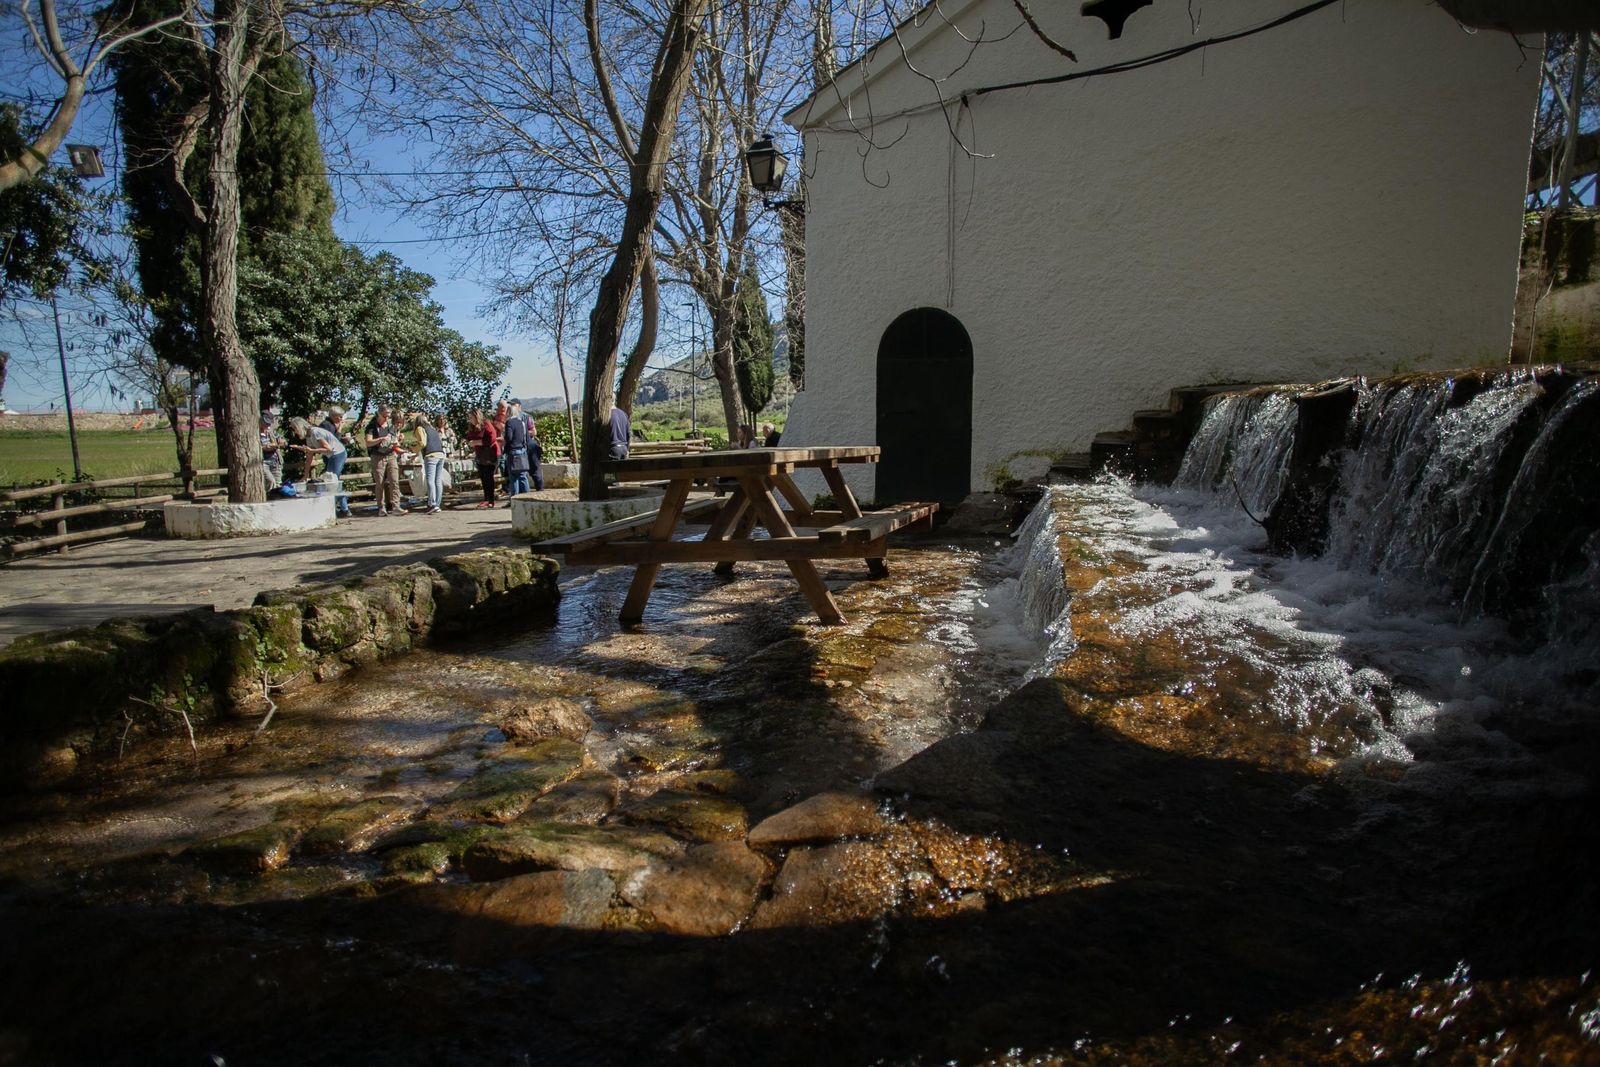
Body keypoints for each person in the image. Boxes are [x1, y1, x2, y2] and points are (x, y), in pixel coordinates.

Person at [288, 415, 351, 517]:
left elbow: (328, 448)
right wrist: (305, 475)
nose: (295, 432)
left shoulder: (316, 432)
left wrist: (312, 450)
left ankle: (337, 509)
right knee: (334, 481)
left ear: (299, 426)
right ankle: (344, 509)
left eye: (295, 429)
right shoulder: (309, 437)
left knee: (331, 482)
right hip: (331, 456)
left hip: (337, 454)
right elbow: (309, 457)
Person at [365, 404, 407, 516]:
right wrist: (380, 439)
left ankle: (396, 506)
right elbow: (368, 442)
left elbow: (394, 442)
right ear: (379, 414)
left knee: (394, 481)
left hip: (391, 454)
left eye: (388, 416)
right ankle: (381, 507)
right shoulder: (371, 426)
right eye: (385, 416)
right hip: (377, 456)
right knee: (380, 482)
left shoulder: (391, 426)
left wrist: (399, 440)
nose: (387, 418)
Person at [412, 410, 448, 514]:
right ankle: (437, 504)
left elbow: (422, 443)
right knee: (438, 480)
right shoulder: (432, 429)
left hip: (431, 455)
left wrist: (413, 449)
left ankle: (431, 503)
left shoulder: (420, 428)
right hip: (440, 454)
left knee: (430, 480)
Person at [466, 409, 500, 507]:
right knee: (483, 477)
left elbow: (492, 439)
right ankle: (486, 499)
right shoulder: (472, 427)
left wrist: (477, 442)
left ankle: (491, 500)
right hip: (480, 455)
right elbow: (469, 437)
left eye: (471, 417)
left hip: (491, 454)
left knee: (489, 477)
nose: (470, 420)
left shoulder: (486, 424)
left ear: (477, 417)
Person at [503, 403, 532, 499]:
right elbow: (526, 438)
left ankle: (515, 499)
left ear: (509, 413)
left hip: (513, 452)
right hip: (522, 452)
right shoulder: (522, 423)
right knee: (523, 476)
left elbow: (509, 437)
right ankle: (527, 498)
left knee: (514, 478)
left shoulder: (509, 423)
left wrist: (503, 439)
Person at [260, 415, 284, 489]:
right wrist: (266, 447)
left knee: (278, 484)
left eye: (269, 424)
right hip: (264, 462)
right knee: (271, 482)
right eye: (266, 424)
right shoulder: (256, 434)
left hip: (275, 461)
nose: (268, 425)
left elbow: (283, 442)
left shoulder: (272, 432)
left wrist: (281, 442)